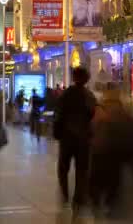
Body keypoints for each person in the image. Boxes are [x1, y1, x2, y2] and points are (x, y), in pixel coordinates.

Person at [89, 88, 133, 214]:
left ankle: (96, 199)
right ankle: (109, 202)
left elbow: (91, 127)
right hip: (115, 151)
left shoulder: (98, 110)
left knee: (96, 176)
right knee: (113, 178)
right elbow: (131, 128)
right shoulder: (123, 111)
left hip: (99, 149)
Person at [54, 67, 97, 211]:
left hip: (67, 137)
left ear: (73, 77)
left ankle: (65, 193)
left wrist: (57, 133)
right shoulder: (89, 95)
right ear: (87, 79)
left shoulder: (66, 94)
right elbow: (92, 114)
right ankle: (78, 197)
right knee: (82, 169)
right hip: (83, 138)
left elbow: (59, 115)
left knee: (63, 167)